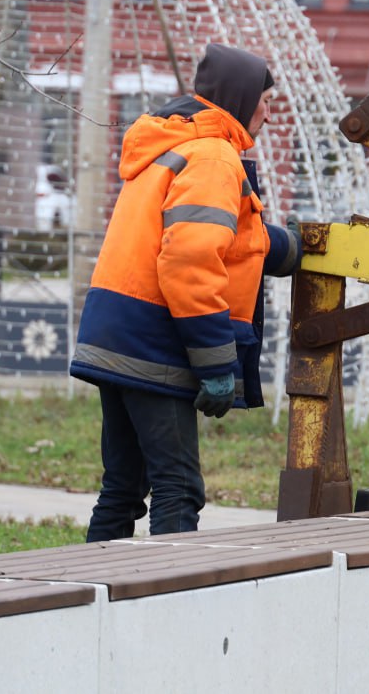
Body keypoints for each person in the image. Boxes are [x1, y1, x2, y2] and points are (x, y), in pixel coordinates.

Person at [71, 43, 301, 541]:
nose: (268, 110)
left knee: (123, 488)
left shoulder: (175, 144)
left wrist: (286, 248)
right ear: (241, 99)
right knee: (177, 486)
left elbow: (221, 239)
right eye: (264, 99)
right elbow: (190, 261)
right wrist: (217, 365)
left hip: (118, 332)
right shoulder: (215, 157)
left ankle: (87, 594)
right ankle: (167, 602)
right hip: (155, 343)